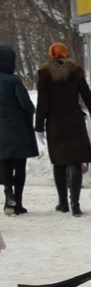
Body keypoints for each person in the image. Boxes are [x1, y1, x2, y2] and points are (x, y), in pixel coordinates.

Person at [33, 41, 91, 215]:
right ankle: (75, 204)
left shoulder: (44, 74)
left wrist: (39, 126)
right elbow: (87, 96)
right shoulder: (75, 71)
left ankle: (63, 202)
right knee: (75, 162)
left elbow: (42, 102)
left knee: (59, 162)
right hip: (75, 121)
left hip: (55, 122)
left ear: (51, 54)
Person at [0, 44, 35, 214]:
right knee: (19, 166)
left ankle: (8, 195)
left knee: (4, 163)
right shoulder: (14, 80)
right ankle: (18, 203)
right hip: (18, 129)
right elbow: (25, 104)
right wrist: (31, 110)